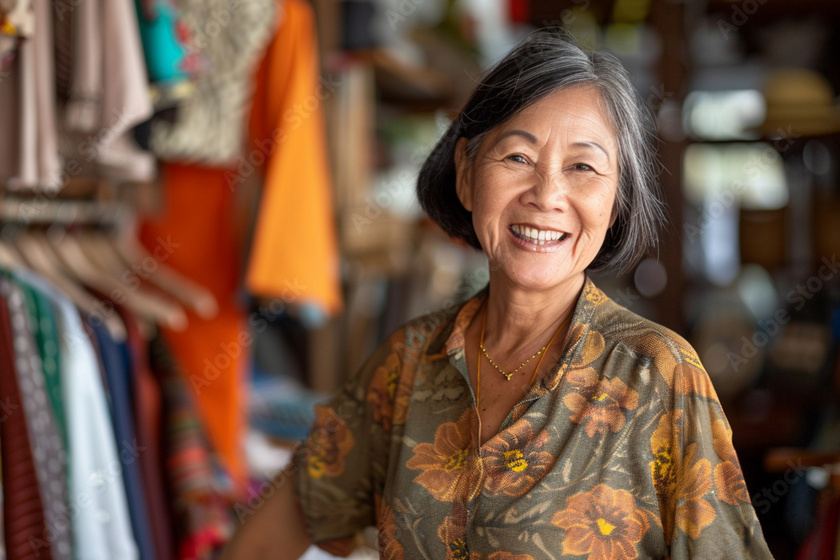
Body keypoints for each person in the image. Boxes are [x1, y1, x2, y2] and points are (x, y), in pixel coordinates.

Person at [222, 30, 774, 559]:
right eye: (517, 158)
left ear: (617, 197)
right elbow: (268, 538)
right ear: (466, 173)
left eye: (583, 167)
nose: (547, 195)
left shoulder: (658, 375)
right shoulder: (407, 365)